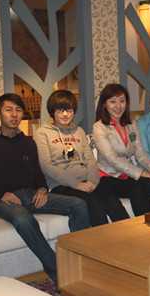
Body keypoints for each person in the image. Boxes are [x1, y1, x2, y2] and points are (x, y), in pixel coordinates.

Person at [0, 93, 91, 284]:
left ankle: (81, 261)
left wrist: (42, 189)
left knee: (78, 205)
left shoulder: (27, 142)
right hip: (3, 200)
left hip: (31, 195)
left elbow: (37, 172)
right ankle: (58, 270)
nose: (14, 115)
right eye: (8, 110)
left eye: (18, 110)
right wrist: (1, 194)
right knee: (23, 219)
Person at [35, 90, 129, 226]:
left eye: (69, 110)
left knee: (111, 199)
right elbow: (47, 166)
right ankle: (103, 238)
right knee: (93, 203)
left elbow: (90, 161)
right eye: (61, 111)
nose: (65, 114)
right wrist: (76, 184)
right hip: (61, 186)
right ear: (52, 112)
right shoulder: (42, 133)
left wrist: (93, 182)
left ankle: (127, 233)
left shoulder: (79, 131)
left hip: (86, 182)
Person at [92, 83, 150, 216]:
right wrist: (141, 173)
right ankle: (144, 223)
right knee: (141, 184)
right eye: (113, 102)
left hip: (126, 176)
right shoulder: (99, 127)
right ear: (104, 104)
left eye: (122, 101)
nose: (118, 106)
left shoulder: (131, 124)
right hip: (108, 177)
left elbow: (140, 154)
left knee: (147, 184)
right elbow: (113, 159)